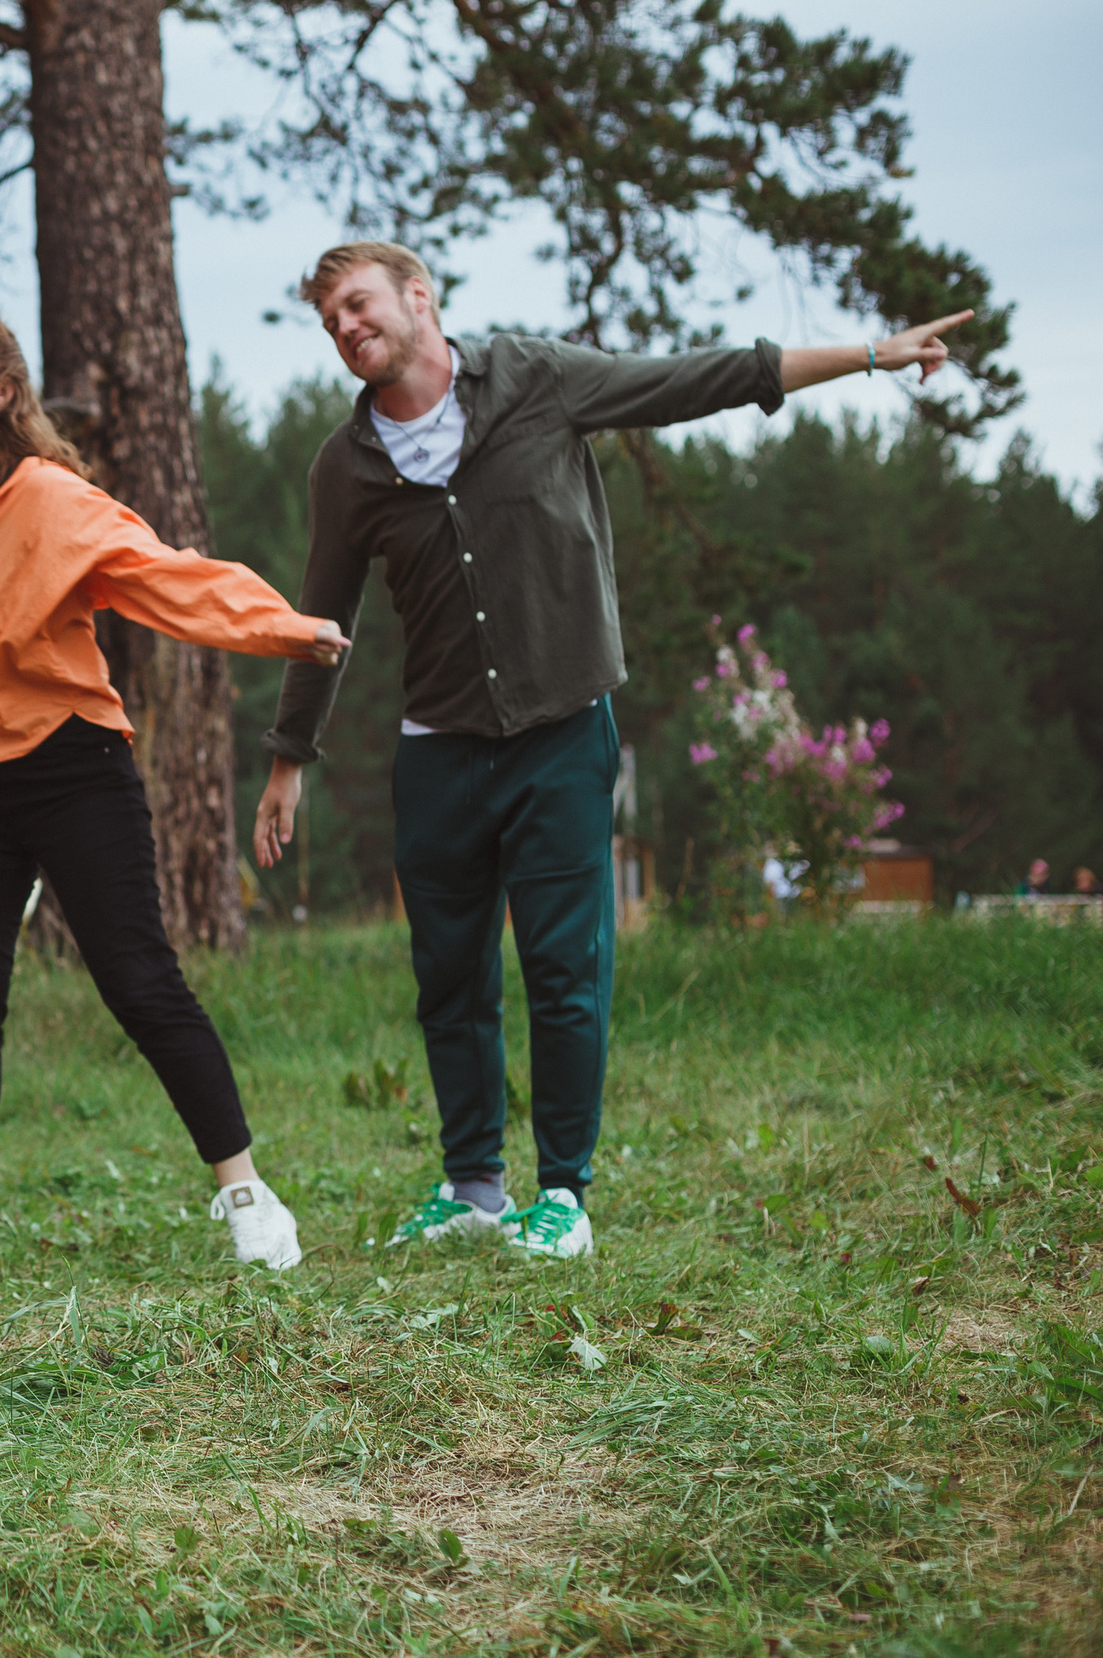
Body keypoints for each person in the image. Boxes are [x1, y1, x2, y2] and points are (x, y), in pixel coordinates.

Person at [254, 239, 973, 1258]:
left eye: (358, 305)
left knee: (562, 968)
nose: (346, 329)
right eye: (330, 322)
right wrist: (289, 760)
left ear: (420, 297)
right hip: (438, 753)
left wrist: (867, 354)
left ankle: (562, 1198)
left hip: (558, 736)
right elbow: (319, 617)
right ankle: (471, 1188)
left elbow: (699, 380)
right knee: (448, 977)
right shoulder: (348, 465)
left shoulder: (535, 381)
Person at [0, 311, 349, 1270]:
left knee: (141, 981)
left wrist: (284, 627)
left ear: (2, 391)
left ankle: (247, 1193)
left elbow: (166, 578)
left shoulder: (52, 499)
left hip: (74, 770)